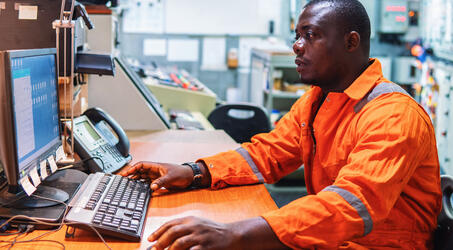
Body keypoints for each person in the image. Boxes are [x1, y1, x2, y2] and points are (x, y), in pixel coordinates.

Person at [121, 0, 441, 249]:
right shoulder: (319, 99)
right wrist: (194, 172)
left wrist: (235, 232)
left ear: (351, 42)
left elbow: (350, 205)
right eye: (297, 35)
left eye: (311, 35)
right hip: (330, 240)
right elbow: (267, 155)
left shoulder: (393, 114)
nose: (297, 46)